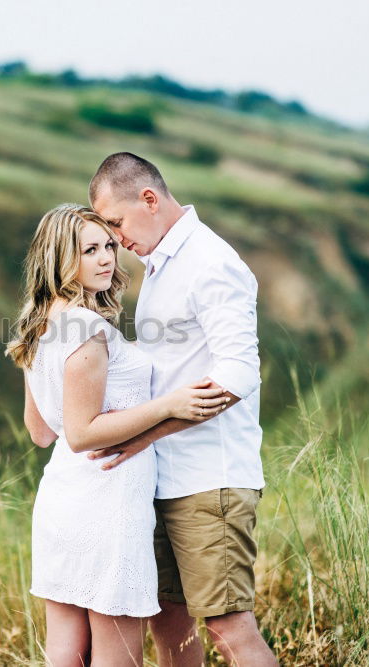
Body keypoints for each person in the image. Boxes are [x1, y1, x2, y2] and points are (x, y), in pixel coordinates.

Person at [5, 203, 231, 667]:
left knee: (66, 652)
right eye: (90, 250)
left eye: (108, 245)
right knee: (118, 655)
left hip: (62, 498)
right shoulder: (87, 328)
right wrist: (167, 405)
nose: (107, 258)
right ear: (59, 258)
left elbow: (41, 431)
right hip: (106, 501)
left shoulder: (39, 323)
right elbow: (82, 433)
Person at [86, 152, 278, 666]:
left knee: (226, 627)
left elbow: (238, 373)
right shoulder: (160, 266)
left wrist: (145, 434)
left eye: (117, 223)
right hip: (160, 477)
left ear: (149, 198)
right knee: (168, 620)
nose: (115, 239)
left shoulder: (211, 263)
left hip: (208, 478)